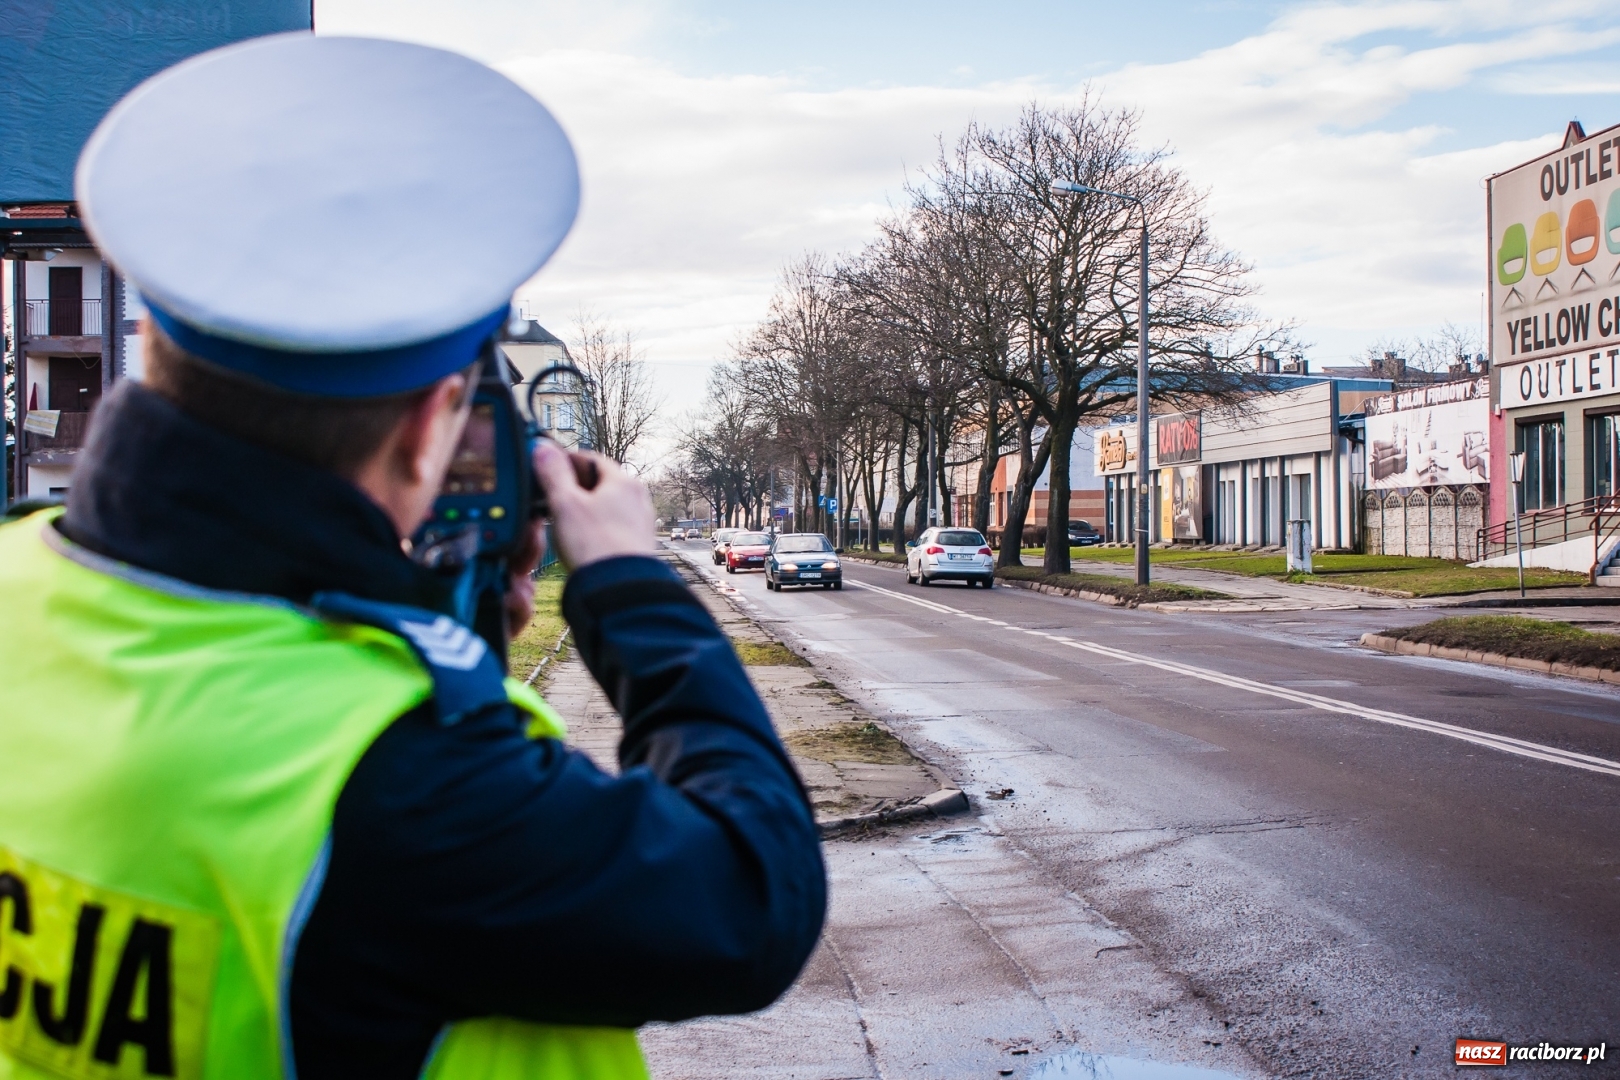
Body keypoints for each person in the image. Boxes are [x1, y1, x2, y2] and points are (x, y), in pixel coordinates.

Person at [0, 34, 825, 1080]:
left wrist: (434, 616)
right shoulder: (401, 786)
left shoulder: (20, 582)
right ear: (435, 420)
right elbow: (754, 891)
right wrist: (628, 581)